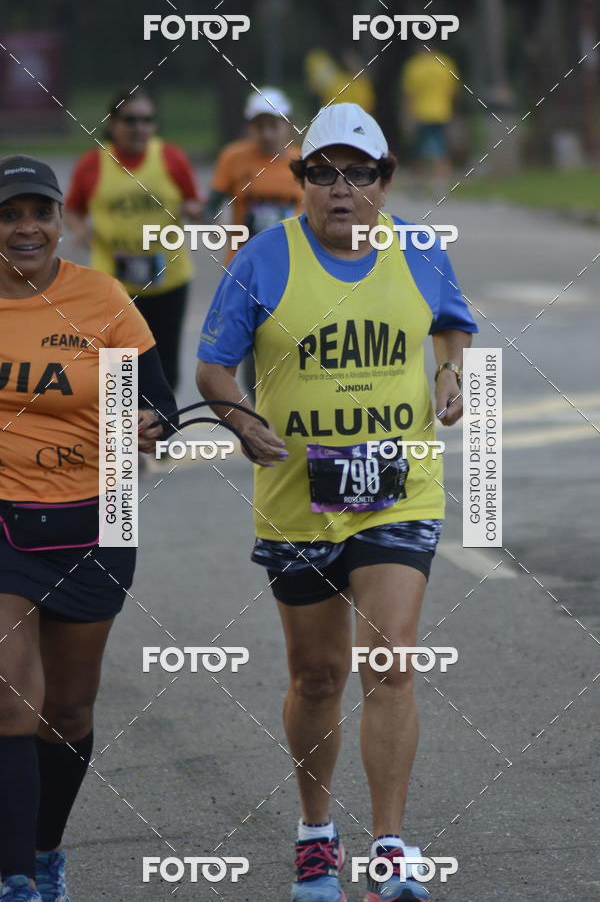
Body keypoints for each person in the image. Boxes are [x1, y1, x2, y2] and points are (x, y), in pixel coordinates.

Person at [196, 103, 477, 902]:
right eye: (322, 172)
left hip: (399, 491)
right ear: (300, 182)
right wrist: (239, 417)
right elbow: (213, 369)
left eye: (359, 173)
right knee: (318, 676)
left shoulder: (421, 252)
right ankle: (317, 832)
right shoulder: (262, 261)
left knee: (390, 663)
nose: (340, 189)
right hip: (299, 499)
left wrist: (449, 372)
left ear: (385, 183)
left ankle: (390, 852)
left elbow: (452, 326)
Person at [0, 156, 176, 902]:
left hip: (101, 510)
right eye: (10, 215)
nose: (26, 228)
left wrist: (147, 423)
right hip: (6, 515)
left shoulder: (100, 299)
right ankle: (13, 880)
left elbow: (158, 403)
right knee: (12, 697)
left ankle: (43, 853)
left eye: (39, 212)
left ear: (61, 221)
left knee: (66, 709)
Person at [64, 89, 203, 393]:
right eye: (130, 120)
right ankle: (121, 438)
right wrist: (79, 228)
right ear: (112, 123)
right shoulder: (92, 164)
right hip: (113, 286)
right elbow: (72, 208)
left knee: (165, 369)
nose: (139, 128)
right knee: (119, 371)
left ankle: (159, 435)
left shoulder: (170, 158)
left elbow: (196, 204)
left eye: (147, 120)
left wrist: (197, 212)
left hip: (168, 280)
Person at [205, 87, 304, 399]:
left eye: (274, 124)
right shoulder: (234, 158)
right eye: (260, 125)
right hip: (245, 269)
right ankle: (262, 419)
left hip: (293, 268)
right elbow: (212, 204)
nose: (267, 133)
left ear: (287, 124)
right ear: (250, 127)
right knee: (250, 356)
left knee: (291, 347)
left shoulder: (303, 163)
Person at [401, 45, 459, 186]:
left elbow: (409, 94)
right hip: (442, 113)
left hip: (421, 113)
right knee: (442, 148)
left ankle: (418, 182)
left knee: (419, 151)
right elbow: (453, 90)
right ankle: (441, 182)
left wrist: (407, 114)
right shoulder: (445, 63)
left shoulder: (414, 65)